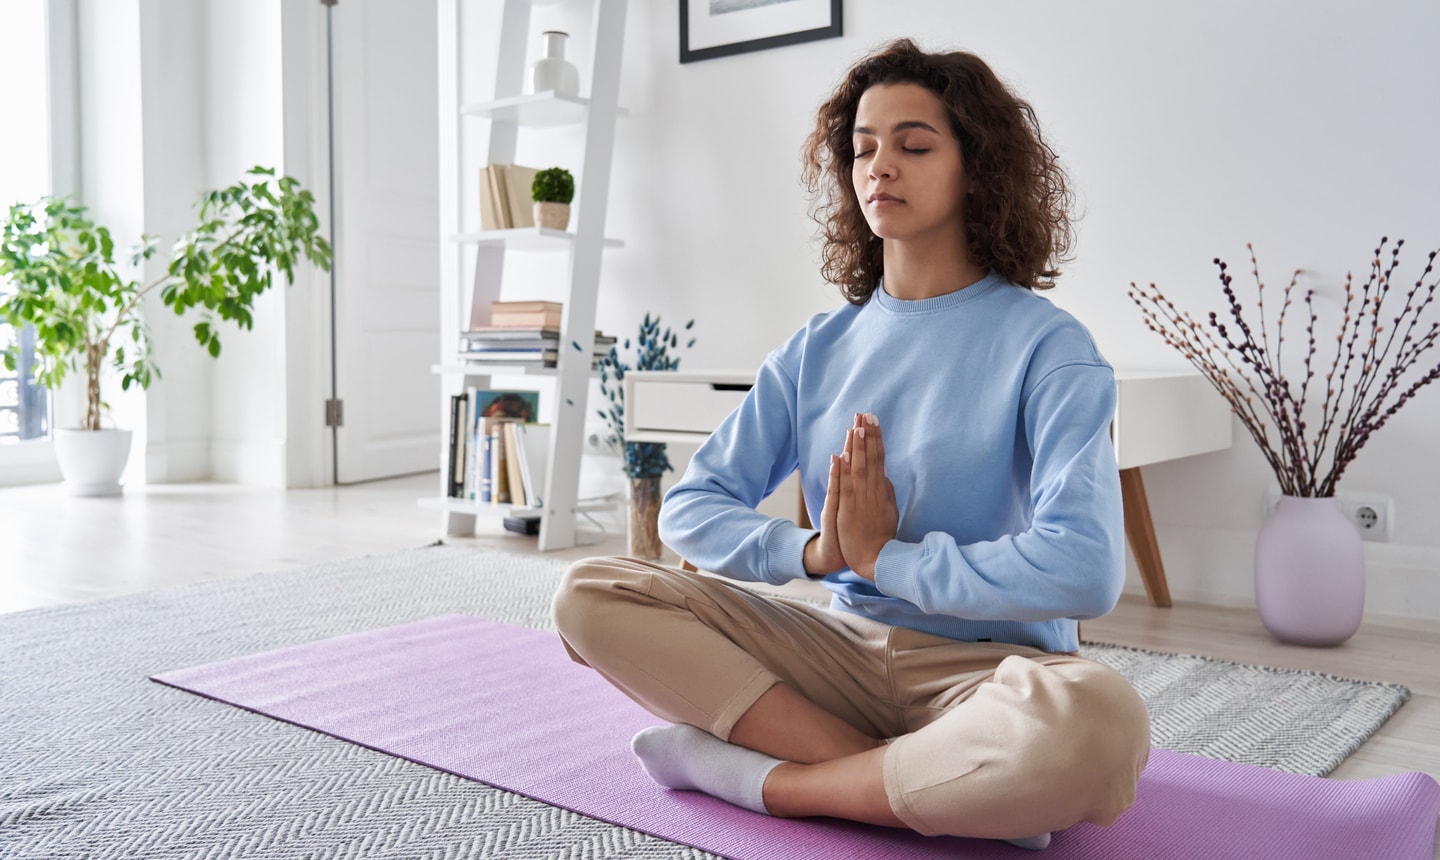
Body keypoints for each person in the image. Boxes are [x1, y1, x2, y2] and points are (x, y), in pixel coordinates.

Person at [551, 38, 1150, 851]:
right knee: (589, 594)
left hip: (989, 673)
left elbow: (1086, 568)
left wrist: (887, 559)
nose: (879, 167)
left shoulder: (1050, 347)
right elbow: (692, 507)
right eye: (863, 148)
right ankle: (922, 781)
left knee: (1100, 722)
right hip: (834, 657)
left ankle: (777, 782)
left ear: (978, 167)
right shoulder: (817, 347)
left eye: (912, 144)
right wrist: (819, 556)